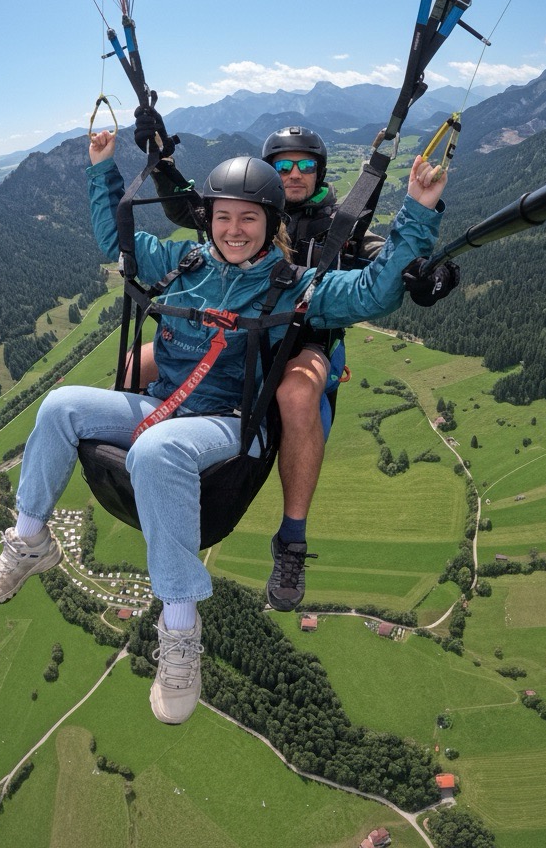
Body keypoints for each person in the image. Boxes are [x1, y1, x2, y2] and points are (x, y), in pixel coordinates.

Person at [0, 129, 447, 726]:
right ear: (209, 221)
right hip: (166, 405)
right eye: (224, 217)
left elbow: (374, 292)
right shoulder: (186, 262)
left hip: (227, 423)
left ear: (271, 223)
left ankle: (178, 627)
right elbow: (113, 238)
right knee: (60, 406)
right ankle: (29, 538)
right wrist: (101, 168)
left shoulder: (296, 287)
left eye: (249, 219)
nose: (234, 230)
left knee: (158, 452)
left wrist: (419, 212)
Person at [138, 116, 439, 612]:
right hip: (243, 338)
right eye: (284, 165)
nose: (295, 173)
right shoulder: (251, 213)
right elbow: (190, 209)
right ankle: (156, 452)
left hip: (308, 343)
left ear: (319, 174)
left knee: (295, 393)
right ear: (268, 173)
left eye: (305, 166)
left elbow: (378, 261)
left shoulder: (340, 225)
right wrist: (160, 163)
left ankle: (292, 539)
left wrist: (422, 272)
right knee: (137, 361)